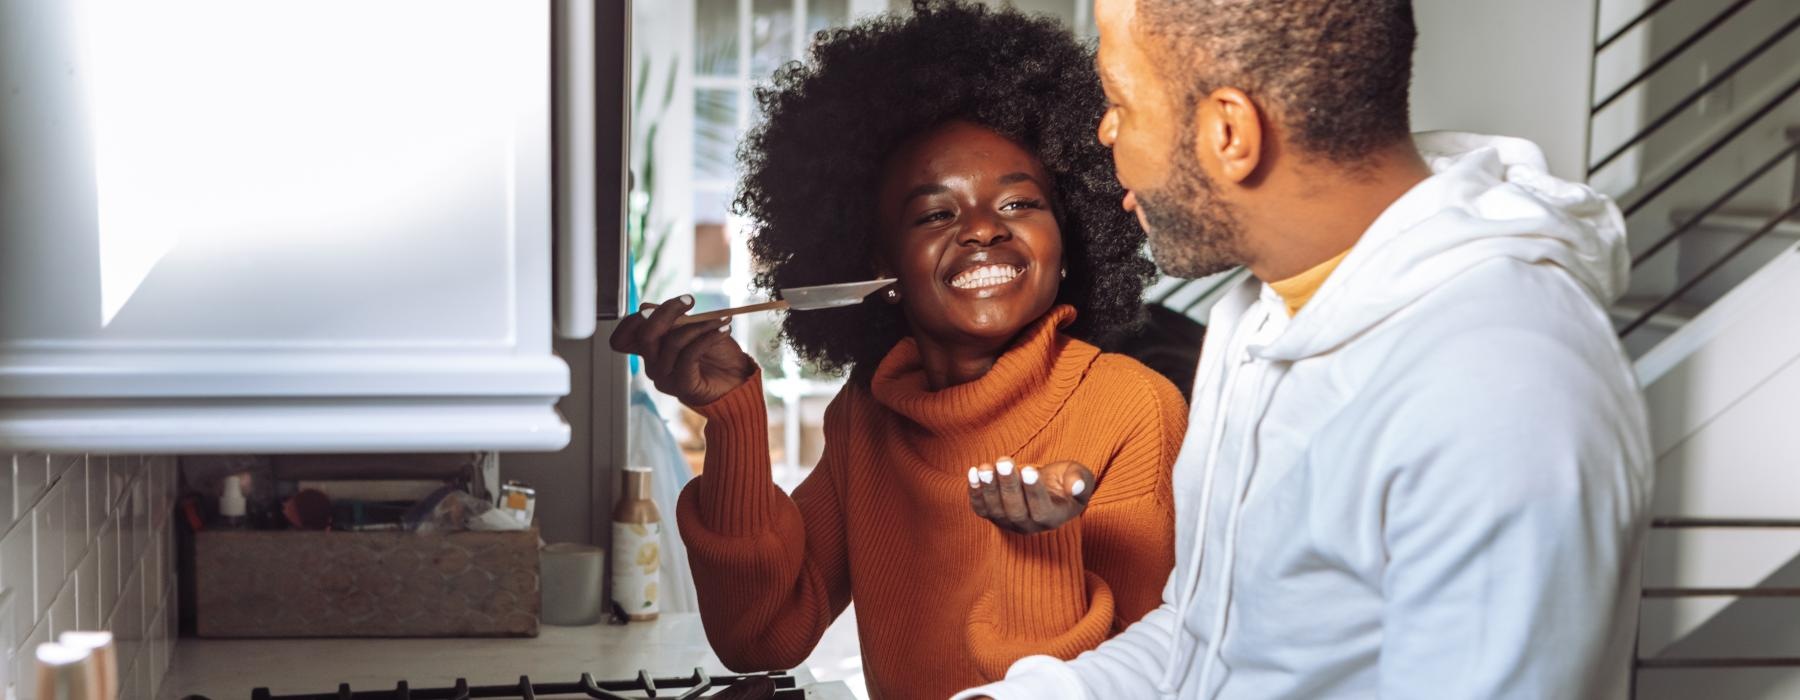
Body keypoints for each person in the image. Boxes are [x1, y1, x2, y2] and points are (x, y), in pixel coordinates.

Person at [957, 0, 1654, 698]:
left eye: (1120, 101)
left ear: (1230, 133)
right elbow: (1212, 641)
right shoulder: (1262, 312)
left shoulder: (1500, 393)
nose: (1105, 132)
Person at [608, 2, 1184, 698]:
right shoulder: (870, 415)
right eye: (936, 213)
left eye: (1018, 205)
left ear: (1069, 241)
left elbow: (1151, 677)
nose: (981, 231)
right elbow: (760, 636)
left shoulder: (1130, 406)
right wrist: (732, 418)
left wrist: (1037, 546)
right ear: (879, 266)